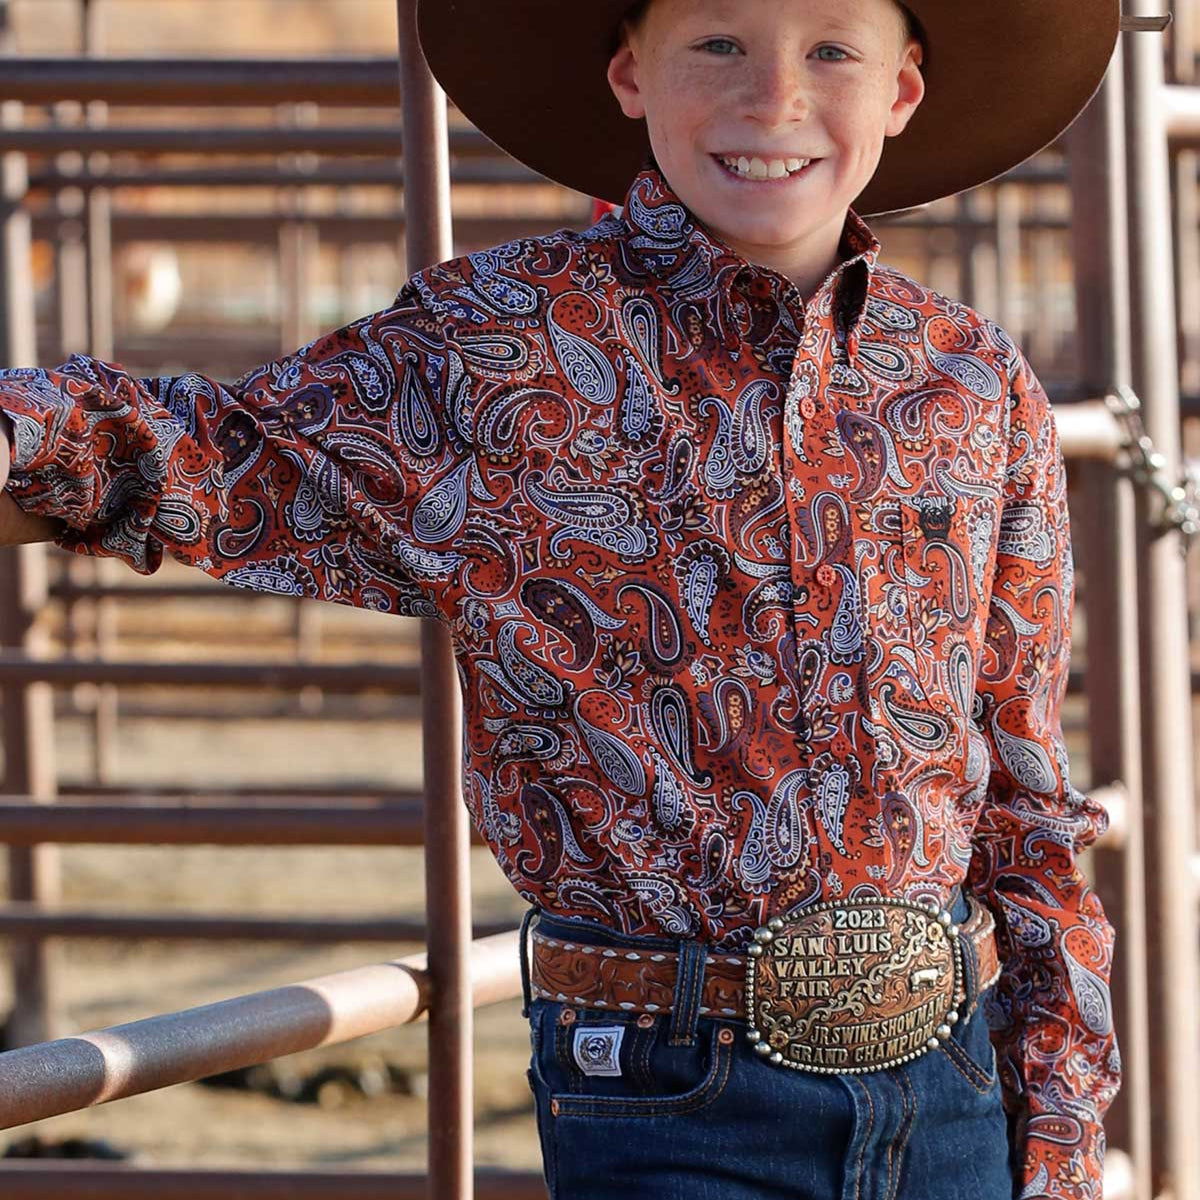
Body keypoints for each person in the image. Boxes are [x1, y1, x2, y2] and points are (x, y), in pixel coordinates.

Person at [0, 0, 1128, 1195]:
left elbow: (1020, 779)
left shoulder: (969, 379)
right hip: (669, 1085)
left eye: (831, 51)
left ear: (901, 92)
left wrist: (1056, 1124)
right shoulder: (502, 347)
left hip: (947, 1081)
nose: (774, 99)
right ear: (629, 74)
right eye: (718, 43)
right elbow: (223, 453)